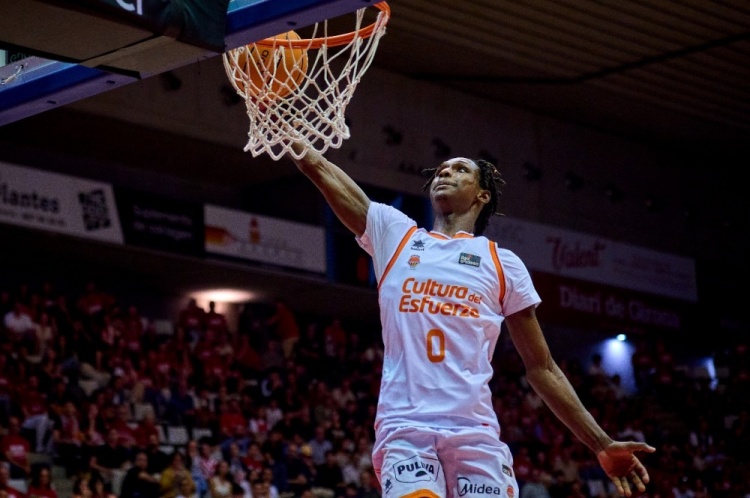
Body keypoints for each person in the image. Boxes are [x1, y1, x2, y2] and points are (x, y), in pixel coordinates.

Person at [288, 145, 656, 497]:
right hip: (406, 430)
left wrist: (600, 442)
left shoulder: (502, 263)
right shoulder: (396, 236)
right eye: (441, 170)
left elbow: (542, 367)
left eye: (460, 169)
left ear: (482, 195)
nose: (445, 173)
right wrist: (285, 129)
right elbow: (319, 168)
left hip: (474, 435)